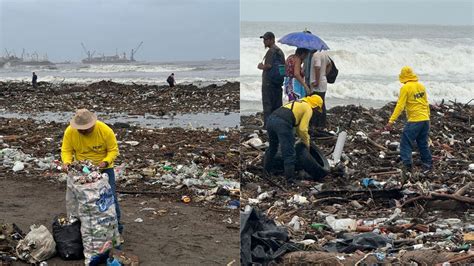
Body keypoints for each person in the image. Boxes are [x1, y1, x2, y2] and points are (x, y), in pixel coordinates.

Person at [61, 109, 123, 234]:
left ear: (92, 124)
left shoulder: (105, 130)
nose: (82, 131)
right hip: (82, 170)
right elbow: (66, 150)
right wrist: (66, 163)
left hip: (104, 168)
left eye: (85, 129)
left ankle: (116, 230)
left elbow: (113, 150)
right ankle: (86, 228)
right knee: (82, 200)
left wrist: (105, 162)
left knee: (108, 199)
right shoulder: (70, 131)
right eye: (80, 129)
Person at [263, 94, 323, 183]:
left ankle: (266, 172)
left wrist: (299, 137)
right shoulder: (308, 108)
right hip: (283, 124)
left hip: (271, 120)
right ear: (315, 106)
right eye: (317, 109)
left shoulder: (297, 102)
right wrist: (307, 143)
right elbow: (303, 129)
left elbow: (298, 128)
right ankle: (290, 180)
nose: (316, 112)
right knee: (289, 153)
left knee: (272, 148)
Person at [385, 66, 432, 174]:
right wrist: (428, 117)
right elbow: (426, 103)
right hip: (425, 120)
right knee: (422, 143)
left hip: (415, 120)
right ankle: (427, 164)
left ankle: (407, 165)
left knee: (405, 143)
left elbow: (400, 106)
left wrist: (391, 121)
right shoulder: (421, 86)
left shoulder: (405, 88)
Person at [257, 31, 285, 128]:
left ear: (272, 40)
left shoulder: (271, 51)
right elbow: (283, 68)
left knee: (268, 104)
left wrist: (261, 66)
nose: (264, 42)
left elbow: (268, 66)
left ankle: (268, 125)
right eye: (264, 39)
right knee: (277, 105)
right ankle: (277, 124)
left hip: (268, 83)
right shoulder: (280, 51)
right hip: (278, 83)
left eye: (266, 39)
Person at [309, 50, 331, 129]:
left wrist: (317, 81)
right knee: (321, 103)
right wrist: (324, 74)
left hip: (317, 84)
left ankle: (317, 124)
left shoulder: (316, 55)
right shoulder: (324, 53)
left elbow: (317, 68)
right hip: (323, 81)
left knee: (316, 104)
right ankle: (321, 124)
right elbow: (329, 64)